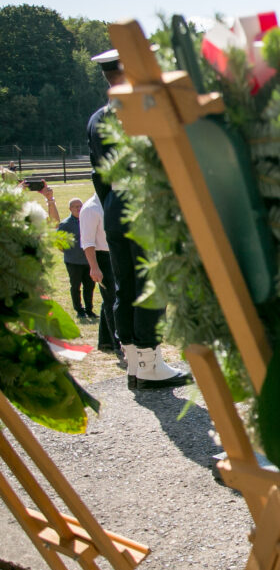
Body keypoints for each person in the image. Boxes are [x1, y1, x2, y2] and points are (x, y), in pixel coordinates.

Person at [88, 49, 190, 389]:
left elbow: (98, 177)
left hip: (116, 205)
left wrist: (112, 207)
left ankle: (133, 359)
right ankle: (150, 360)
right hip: (145, 204)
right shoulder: (140, 110)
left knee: (125, 285)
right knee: (151, 284)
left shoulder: (97, 118)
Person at [79, 193, 119, 356]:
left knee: (110, 299)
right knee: (112, 301)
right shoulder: (91, 208)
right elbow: (87, 242)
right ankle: (118, 344)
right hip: (102, 257)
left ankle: (106, 341)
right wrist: (94, 267)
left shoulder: (111, 202)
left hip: (115, 254)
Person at [57, 197, 96, 319]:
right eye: (75, 206)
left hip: (88, 260)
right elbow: (59, 244)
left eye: (80, 206)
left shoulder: (88, 221)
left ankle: (89, 309)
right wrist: (71, 253)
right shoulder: (65, 224)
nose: (79, 208)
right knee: (75, 286)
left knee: (89, 287)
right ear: (70, 209)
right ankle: (79, 310)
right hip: (73, 261)